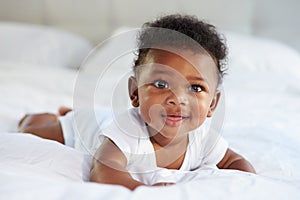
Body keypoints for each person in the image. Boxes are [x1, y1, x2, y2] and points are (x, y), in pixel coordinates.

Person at [18, 14, 256, 190]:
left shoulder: (203, 138)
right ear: (135, 92)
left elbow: (233, 161)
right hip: (86, 126)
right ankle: (53, 115)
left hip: (104, 117)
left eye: (195, 88)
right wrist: (140, 189)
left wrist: (244, 183)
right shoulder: (129, 131)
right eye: (161, 84)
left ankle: (72, 111)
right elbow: (103, 170)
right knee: (33, 130)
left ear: (213, 105)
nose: (177, 99)